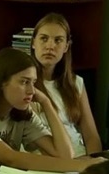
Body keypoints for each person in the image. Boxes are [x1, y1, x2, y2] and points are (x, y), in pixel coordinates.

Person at [28, 13, 101, 156]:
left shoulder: (75, 83)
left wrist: (93, 162)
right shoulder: (25, 84)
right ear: (33, 43)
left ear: (66, 46)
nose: (50, 46)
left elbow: (91, 136)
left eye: (58, 40)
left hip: (79, 156)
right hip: (46, 159)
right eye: (44, 39)